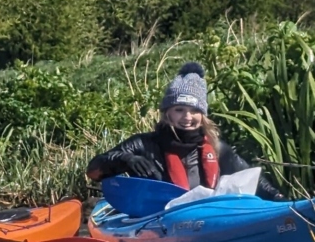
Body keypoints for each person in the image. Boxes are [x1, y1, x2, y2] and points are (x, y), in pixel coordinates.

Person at [86, 62, 285, 200]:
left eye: (195, 111)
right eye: (179, 110)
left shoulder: (217, 148)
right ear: (167, 114)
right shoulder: (142, 144)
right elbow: (93, 171)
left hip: (203, 219)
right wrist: (125, 159)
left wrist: (278, 197)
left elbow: (251, 176)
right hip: (159, 219)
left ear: (203, 115)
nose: (188, 117)